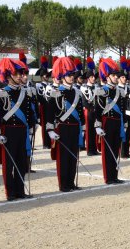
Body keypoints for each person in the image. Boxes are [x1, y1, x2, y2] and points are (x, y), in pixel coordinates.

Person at [0, 58, 37, 201]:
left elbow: (29, 112)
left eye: (21, 73)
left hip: (22, 131)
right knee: (9, 164)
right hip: (8, 131)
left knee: (21, 161)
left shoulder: (26, 92)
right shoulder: (1, 93)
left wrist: (31, 126)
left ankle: (20, 190)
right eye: (16, 73)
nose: (20, 76)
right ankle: (10, 192)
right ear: (8, 75)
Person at [45, 57, 85, 192]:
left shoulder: (77, 92)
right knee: (63, 157)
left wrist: (83, 127)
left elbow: (79, 112)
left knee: (74, 156)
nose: (71, 77)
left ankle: (71, 182)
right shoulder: (56, 93)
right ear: (62, 76)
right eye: (68, 75)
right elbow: (49, 113)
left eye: (72, 74)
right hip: (62, 128)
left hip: (74, 128)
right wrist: (50, 129)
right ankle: (63, 184)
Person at [93, 58, 128, 184]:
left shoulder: (120, 91)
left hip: (117, 122)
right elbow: (97, 110)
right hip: (107, 123)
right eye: (113, 75)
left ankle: (115, 176)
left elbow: (123, 109)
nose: (116, 77)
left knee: (116, 149)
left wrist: (125, 123)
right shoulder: (101, 91)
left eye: (116, 75)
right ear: (107, 77)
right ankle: (108, 177)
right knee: (108, 151)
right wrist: (98, 126)